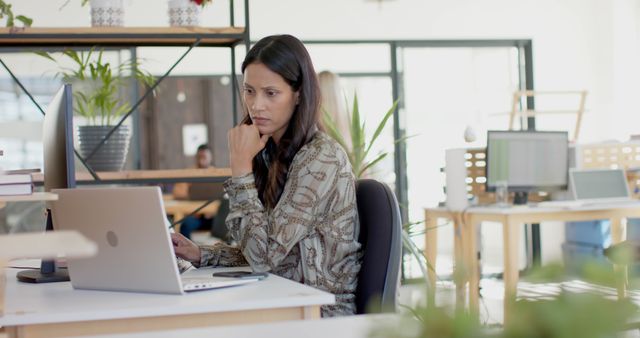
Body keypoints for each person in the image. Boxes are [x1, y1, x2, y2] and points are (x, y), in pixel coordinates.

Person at [171, 34, 361, 317]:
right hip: (279, 296)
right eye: (249, 91)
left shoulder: (321, 158)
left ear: (298, 95)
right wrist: (201, 254)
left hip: (320, 311)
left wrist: (240, 169)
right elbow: (260, 247)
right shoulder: (268, 151)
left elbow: (263, 257)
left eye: (270, 93)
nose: (256, 105)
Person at [173, 144, 228, 241]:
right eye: (200, 157)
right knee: (185, 225)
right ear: (196, 158)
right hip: (195, 215)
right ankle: (187, 252)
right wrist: (190, 196)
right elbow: (177, 193)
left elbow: (225, 194)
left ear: (210, 158)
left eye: (205, 157)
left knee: (227, 224)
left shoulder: (217, 173)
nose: (202, 159)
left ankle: (222, 253)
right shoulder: (189, 173)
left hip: (213, 216)